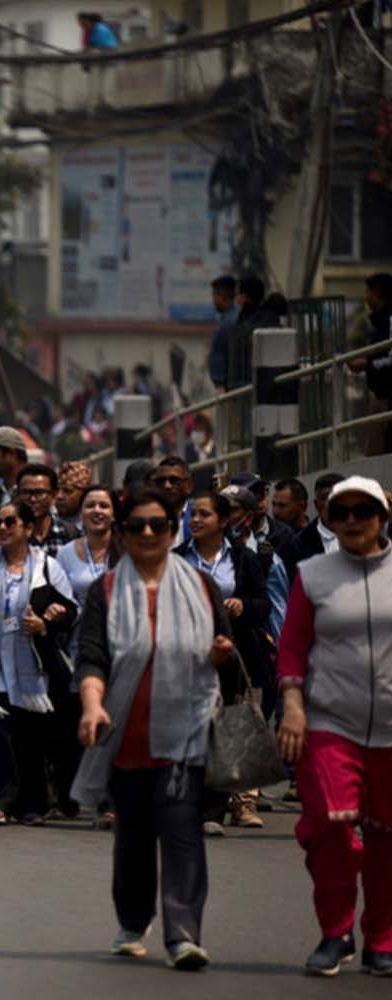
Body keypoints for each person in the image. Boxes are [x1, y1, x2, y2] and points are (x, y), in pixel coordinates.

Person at [73, 488, 235, 970]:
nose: (147, 533)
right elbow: (92, 656)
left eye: (158, 525)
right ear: (123, 533)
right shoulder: (103, 591)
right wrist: (91, 706)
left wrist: (220, 655)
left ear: (172, 530)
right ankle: (132, 919)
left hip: (185, 732)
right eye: (138, 525)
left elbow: (222, 654)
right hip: (125, 734)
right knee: (135, 837)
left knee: (183, 831)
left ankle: (184, 934)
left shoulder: (204, 588)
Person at [277, 475, 392, 977]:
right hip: (328, 724)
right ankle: (335, 931)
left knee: (387, 838)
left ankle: (383, 938)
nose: (349, 521)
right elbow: (292, 646)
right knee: (330, 826)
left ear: (383, 517)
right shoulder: (313, 574)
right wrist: (294, 707)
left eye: (361, 512)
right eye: (339, 512)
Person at [0, 501, 76, 826]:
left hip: (31, 667)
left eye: (10, 522)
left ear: (28, 528)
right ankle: (0, 799)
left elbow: (70, 610)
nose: (2, 528)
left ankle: (33, 803)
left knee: (30, 738)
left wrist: (46, 624)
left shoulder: (47, 567)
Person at [176, 491, 272, 833]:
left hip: (232, 654)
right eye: (192, 515)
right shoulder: (176, 558)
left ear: (223, 521)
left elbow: (263, 604)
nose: (196, 520)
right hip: (185, 657)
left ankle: (214, 811)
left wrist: (242, 606)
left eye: (204, 514)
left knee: (224, 729)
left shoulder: (244, 559)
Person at [55, 484, 121, 825]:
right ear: (80, 513)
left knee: (111, 724)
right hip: (76, 649)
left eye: (104, 505)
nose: (97, 511)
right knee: (72, 725)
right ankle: (68, 795)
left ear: (113, 513)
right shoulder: (65, 554)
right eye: (91, 505)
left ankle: (110, 801)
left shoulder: (126, 552)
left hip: (119, 649)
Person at [347, 273, 392, 455]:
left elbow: (389, 358)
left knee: (381, 451)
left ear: (378, 292)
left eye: (368, 291)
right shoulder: (379, 320)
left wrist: (367, 364)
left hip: (386, 396)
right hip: (380, 394)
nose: (365, 296)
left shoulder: (388, 319)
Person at [16, 463, 77, 557]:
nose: (32, 499)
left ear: (54, 495)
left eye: (39, 493)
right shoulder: (10, 534)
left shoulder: (69, 535)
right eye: (26, 493)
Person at [207, 276, 238, 392]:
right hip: (223, 384)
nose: (213, 300)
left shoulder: (231, 321)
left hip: (227, 386)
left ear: (223, 295)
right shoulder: (225, 319)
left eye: (215, 295)